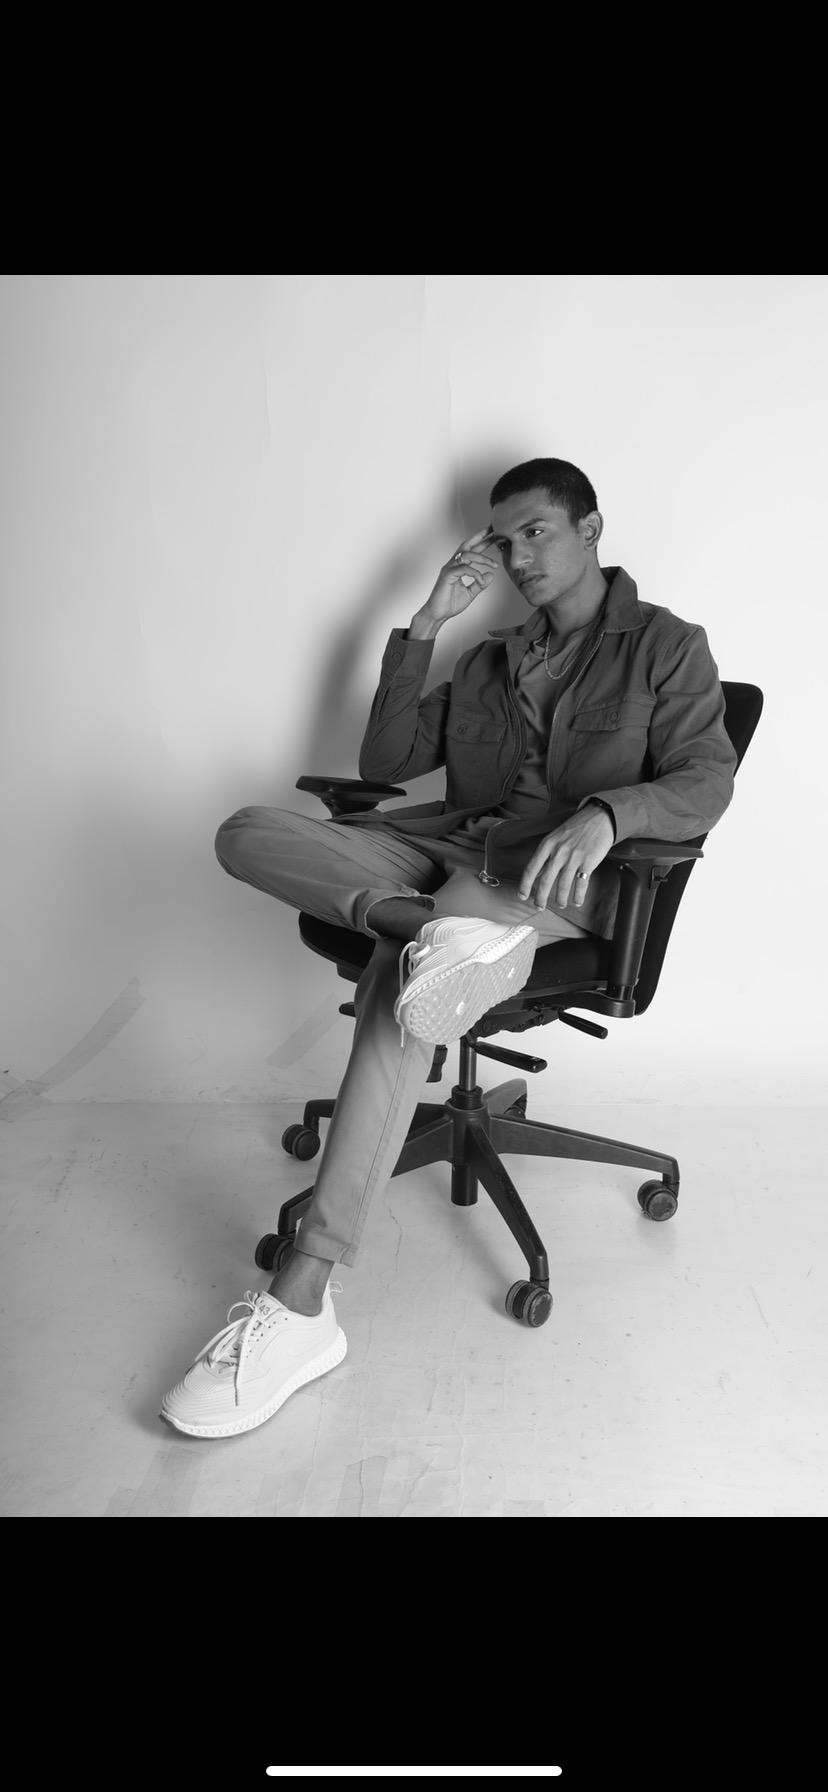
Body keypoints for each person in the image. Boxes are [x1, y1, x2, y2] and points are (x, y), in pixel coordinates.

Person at [160, 456, 737, 1438]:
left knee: (403, 985)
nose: (518, 557)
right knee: (245, 830)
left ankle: (304, 1296)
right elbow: (385, 761)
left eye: (535, 532)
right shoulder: (488, 658)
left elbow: (706, 778)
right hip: (442, 852)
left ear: (591, 528)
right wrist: (427, 624)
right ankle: (437, 936)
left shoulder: (666, 646)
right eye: (504, 541)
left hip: (542, 883)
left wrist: (608, 813)